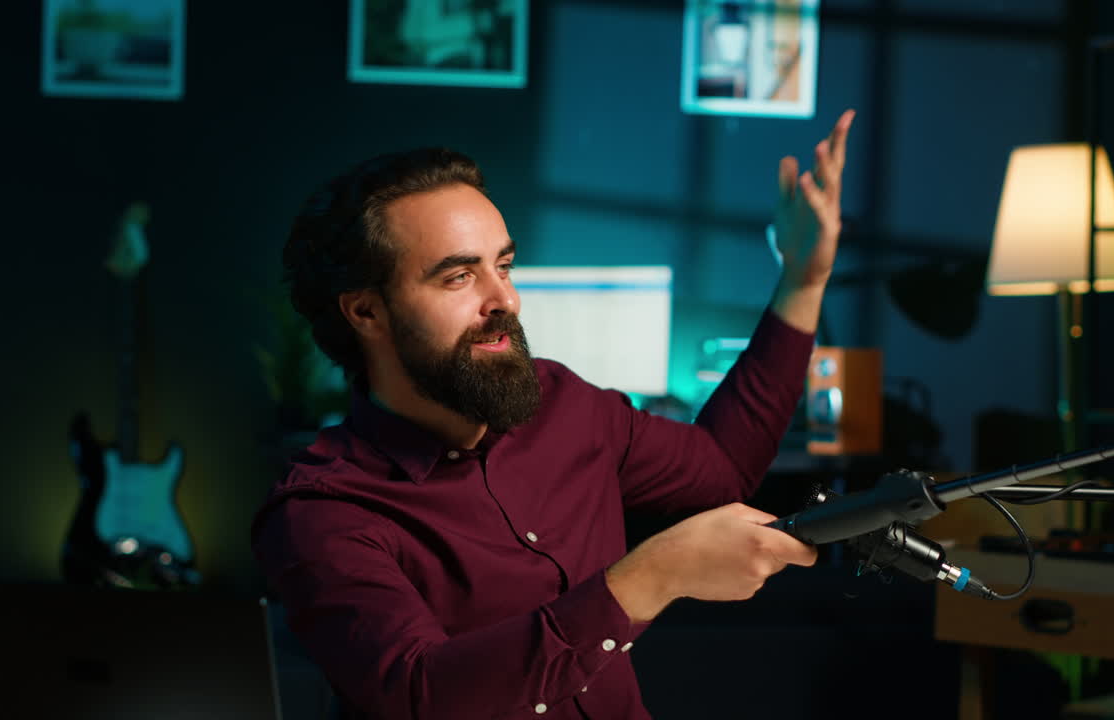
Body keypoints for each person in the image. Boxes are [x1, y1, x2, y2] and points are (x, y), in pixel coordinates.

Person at [252, 108, 856, 719]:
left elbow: (722, 469)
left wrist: (803, 282)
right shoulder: (322, 510)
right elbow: (422, 695)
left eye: (504, 265)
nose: (505, 299)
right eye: (460, 277)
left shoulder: (562, 403)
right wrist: (649, 578)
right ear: (366, 313)